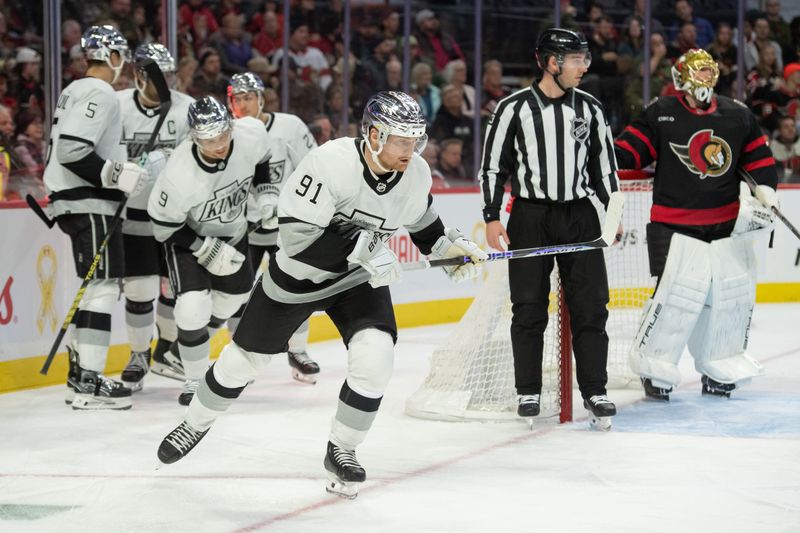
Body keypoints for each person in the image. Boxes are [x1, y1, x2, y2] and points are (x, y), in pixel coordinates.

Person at [156, 91, 487, 499]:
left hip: (355, 282)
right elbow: (295, 240)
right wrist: (362, 249)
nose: (411, 149)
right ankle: (196, 422)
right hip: (297, 278)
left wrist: (448, 249)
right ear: (373, 135)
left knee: (376, 355)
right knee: (241, 363)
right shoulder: (331, 163)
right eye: (401, 139)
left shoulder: (415, 172)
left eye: (416, 139)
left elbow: (421, 220)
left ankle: (342, 450)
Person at [614, 49, 780, 401]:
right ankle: (655, 368)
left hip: (725, 227)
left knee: (728, 300)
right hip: (673, 226)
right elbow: (627, 154)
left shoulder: (738, 114)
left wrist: (765, 189)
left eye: (709, 72)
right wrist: (594, 146)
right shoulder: (661, 112)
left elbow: (760, 161)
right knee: (675, 298)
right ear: (682, 76)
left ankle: (720, 366)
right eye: (698, 72)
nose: (704, 78)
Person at [480, 28, 621, 430]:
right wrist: (492, 215)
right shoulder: (513, 108)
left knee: (592, 307)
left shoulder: (590, 108)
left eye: (584, 59)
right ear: (551, 62)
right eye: (576, 59)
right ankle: (528, 390)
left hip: (580, 217)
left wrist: (613, 212)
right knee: (527, 308)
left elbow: (604, 169)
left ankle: (595, 390)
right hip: (530, 217)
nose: (584, 66)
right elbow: (494, 166)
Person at [43, 25, 151, 410]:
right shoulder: (99, 91)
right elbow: (73, 150)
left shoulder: (73, 89)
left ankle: (80, 378)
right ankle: (90, 380)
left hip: (76, 201)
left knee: (95, 289)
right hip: (89, 201)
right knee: (103, 288)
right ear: (113, 57)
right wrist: (116, 174)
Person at [147, 97, 271, 405]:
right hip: (189, 240)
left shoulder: (250, 133)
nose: (219, 145)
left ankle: (184, 348)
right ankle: (194, 381)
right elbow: (163, 228)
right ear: (193, 137)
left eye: (223, 135)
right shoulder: (178, 174)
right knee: (191, 308)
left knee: (235, 298)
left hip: (234, 232)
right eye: (209, 140)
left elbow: (262, 159)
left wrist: (265, 194)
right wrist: (204, 248)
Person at [225, 72, 322, 384]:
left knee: (297, 286)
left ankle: (298, 350)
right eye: (236, 99)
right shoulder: (227, 133)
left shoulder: (290, 126)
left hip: (286, 224)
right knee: (238, 293)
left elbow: (315, 166)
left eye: (247, 97)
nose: (242, 104)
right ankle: (239, 355)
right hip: (245, 225)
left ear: (261, 98)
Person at [116, 43, 196, 391]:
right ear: (138, 77)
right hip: (132, 214)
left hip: (174, 216)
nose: (165, 83)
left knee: (173, 290)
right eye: (157, 77)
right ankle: (138, 353)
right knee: (139, 287)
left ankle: (166, 349)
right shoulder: (117, 107)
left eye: (168, 76)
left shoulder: (186, 108)